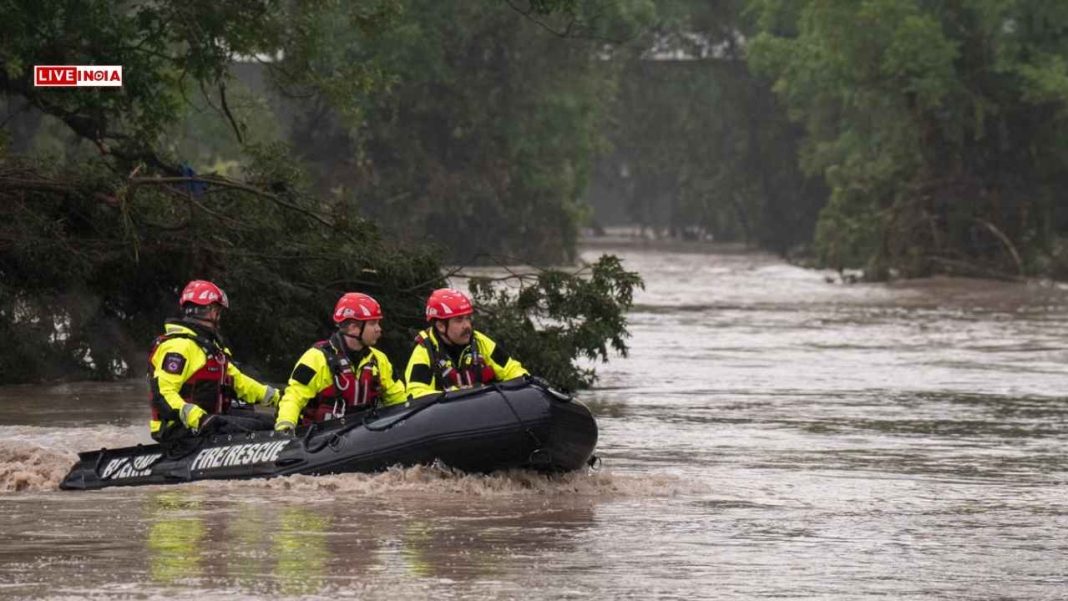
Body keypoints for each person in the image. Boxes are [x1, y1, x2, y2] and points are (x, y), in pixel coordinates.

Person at [148, 280, 279, 441]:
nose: (219, 317)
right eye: (218, 311)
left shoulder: (210, 347)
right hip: (181, 428)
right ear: (210, 311)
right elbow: (163, 393)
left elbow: (239, 383)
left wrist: (277, 397)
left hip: (208, 421)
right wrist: (199, 418)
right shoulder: (179, 346)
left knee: (271, 422)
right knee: (264, 428)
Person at [274, 292, 406, 432]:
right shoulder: (316, 358)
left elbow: (398, 398)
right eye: (373, 323)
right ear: (354, 327)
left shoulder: (379, 360)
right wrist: (285, 425)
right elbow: (294, 396)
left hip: (364, 436)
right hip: (320, 439)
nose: (379, 329)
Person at [403, 288, 528, 399]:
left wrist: (525, 382)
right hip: (448, 420)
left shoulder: (479, 341)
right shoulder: (425, 352)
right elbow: (417, 394)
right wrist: (453, 395)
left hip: (486, 411)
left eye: (468, 318)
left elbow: (511, 369)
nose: (467, 326)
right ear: (441, 326)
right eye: (459, 320)